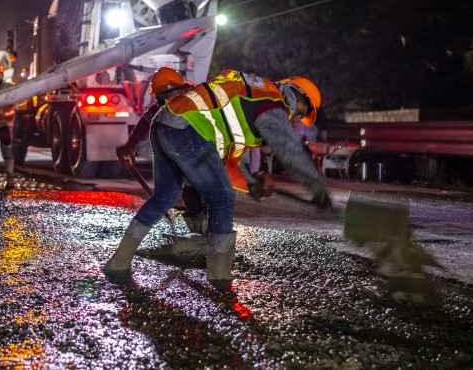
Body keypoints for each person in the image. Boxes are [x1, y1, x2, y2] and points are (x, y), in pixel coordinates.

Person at [104, 67, 332, 288]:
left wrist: (252, 182)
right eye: (301, 112)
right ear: (296, 94)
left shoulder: (254, 96)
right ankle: (219, 277)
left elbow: (230, 157)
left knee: (164, 197)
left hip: (165, 123)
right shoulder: (272, 103)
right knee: (222, 200)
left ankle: (118, 262)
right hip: (188, 129)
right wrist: (318, 190)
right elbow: (288, 150)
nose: (295, 119)